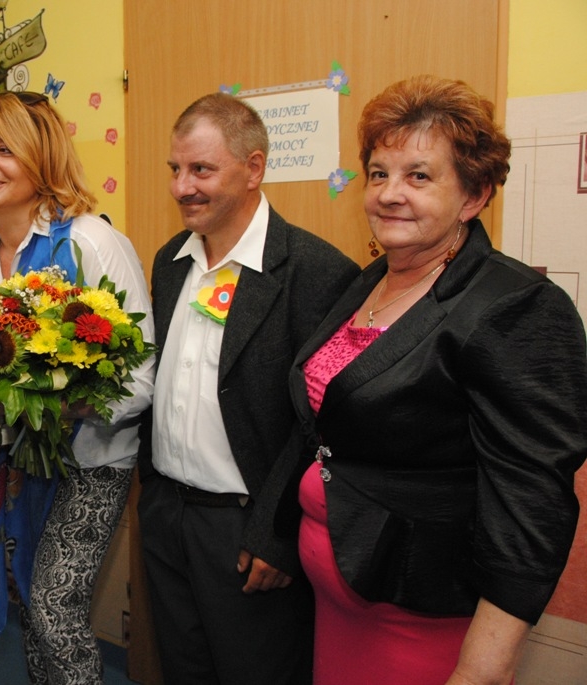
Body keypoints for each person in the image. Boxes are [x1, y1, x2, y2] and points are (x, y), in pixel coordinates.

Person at [287, 75, 587, 685]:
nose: (389, 194)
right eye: (378, 173)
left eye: (419, 176)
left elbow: (531, 504)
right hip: (340, 599)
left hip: (419, 615)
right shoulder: (371, 280)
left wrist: (481, 670)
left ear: (474, 195)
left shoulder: (515, 305)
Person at [137, 92, 359, 684]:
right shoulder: (171, 261)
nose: (182, 187)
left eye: (201, 170)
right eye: (175, 169)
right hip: (167, 514)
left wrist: (277, 534)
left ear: (254, 168)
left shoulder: (316, 272)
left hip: (245, 528)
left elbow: (320, 424)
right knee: (183, 670)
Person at [0, 91, 155, 685]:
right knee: (30, 606)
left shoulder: (89, 241)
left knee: (54, 609)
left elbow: (142, 375)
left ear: (41, 156)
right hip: (11, 460)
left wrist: (61, 406)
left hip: (93, 459)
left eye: (4, 149)